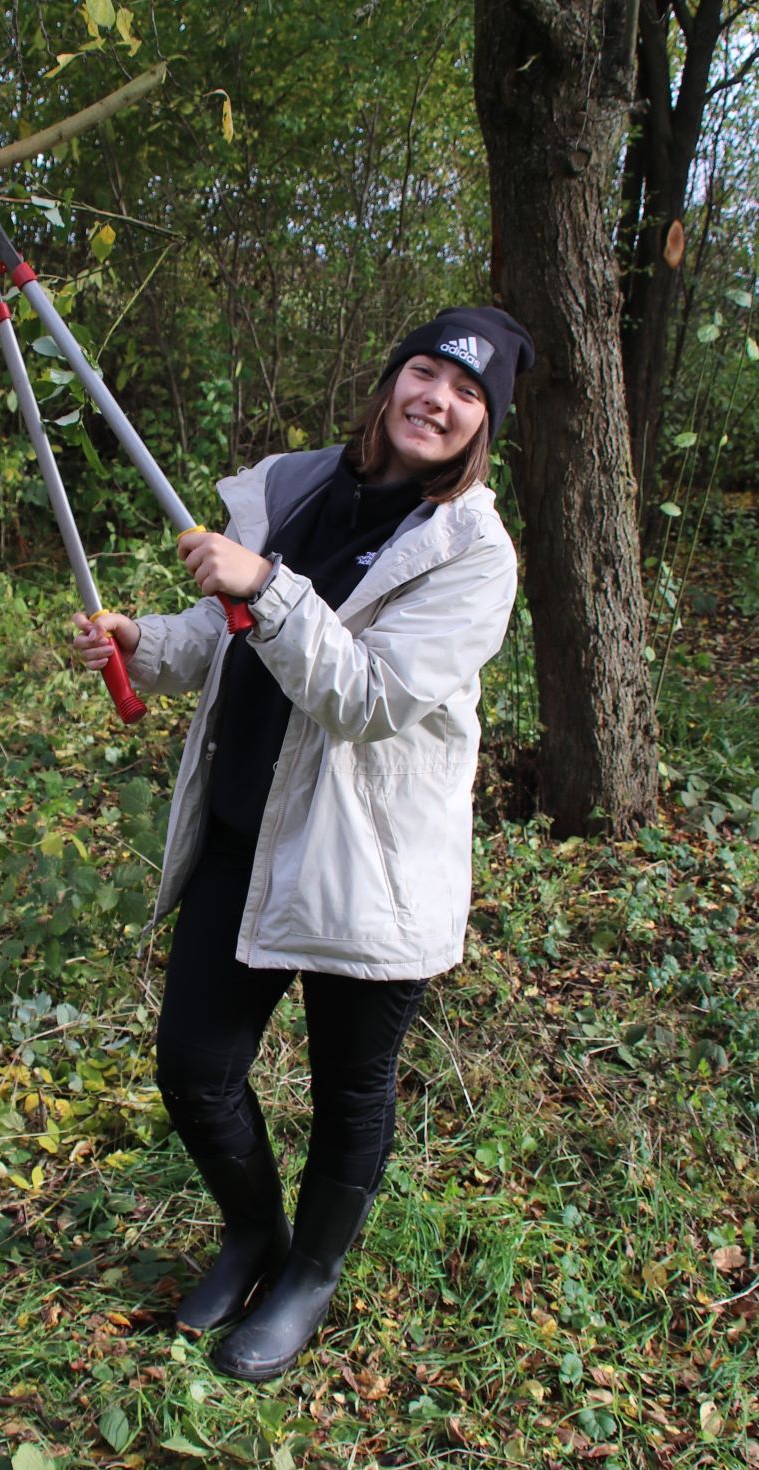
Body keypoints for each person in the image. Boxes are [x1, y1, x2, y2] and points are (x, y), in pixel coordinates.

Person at [73, 306, 534, 1382]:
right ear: (392, 378)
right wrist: (148, 642)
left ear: (484, 423)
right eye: (426, 371)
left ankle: (309, 1275)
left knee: (349, 1089)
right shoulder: (300, 486)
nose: (438, 400)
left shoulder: (473, 554)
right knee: (195, 1069)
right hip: (246, 827)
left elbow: (368, 697)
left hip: (370, 862)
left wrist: (264, 583)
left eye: (468, 394)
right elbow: (228, 634)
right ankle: (253, 1235)